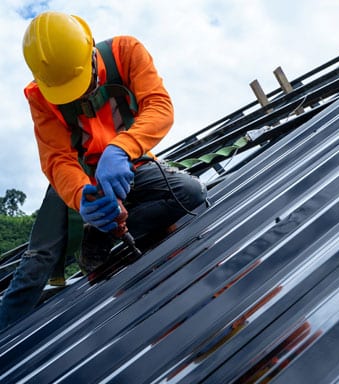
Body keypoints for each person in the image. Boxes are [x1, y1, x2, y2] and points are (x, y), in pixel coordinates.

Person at [0, 11, 207, 330]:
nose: (78, 95)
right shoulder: (41, 96)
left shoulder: (126, 53)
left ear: (90, 49)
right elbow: (57, 159)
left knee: (190, 193)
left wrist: (123, 147)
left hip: (128, 164)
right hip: (80, 180)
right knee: (38, 260)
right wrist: (82, 196)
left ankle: (101, 239)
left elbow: (159, 106)